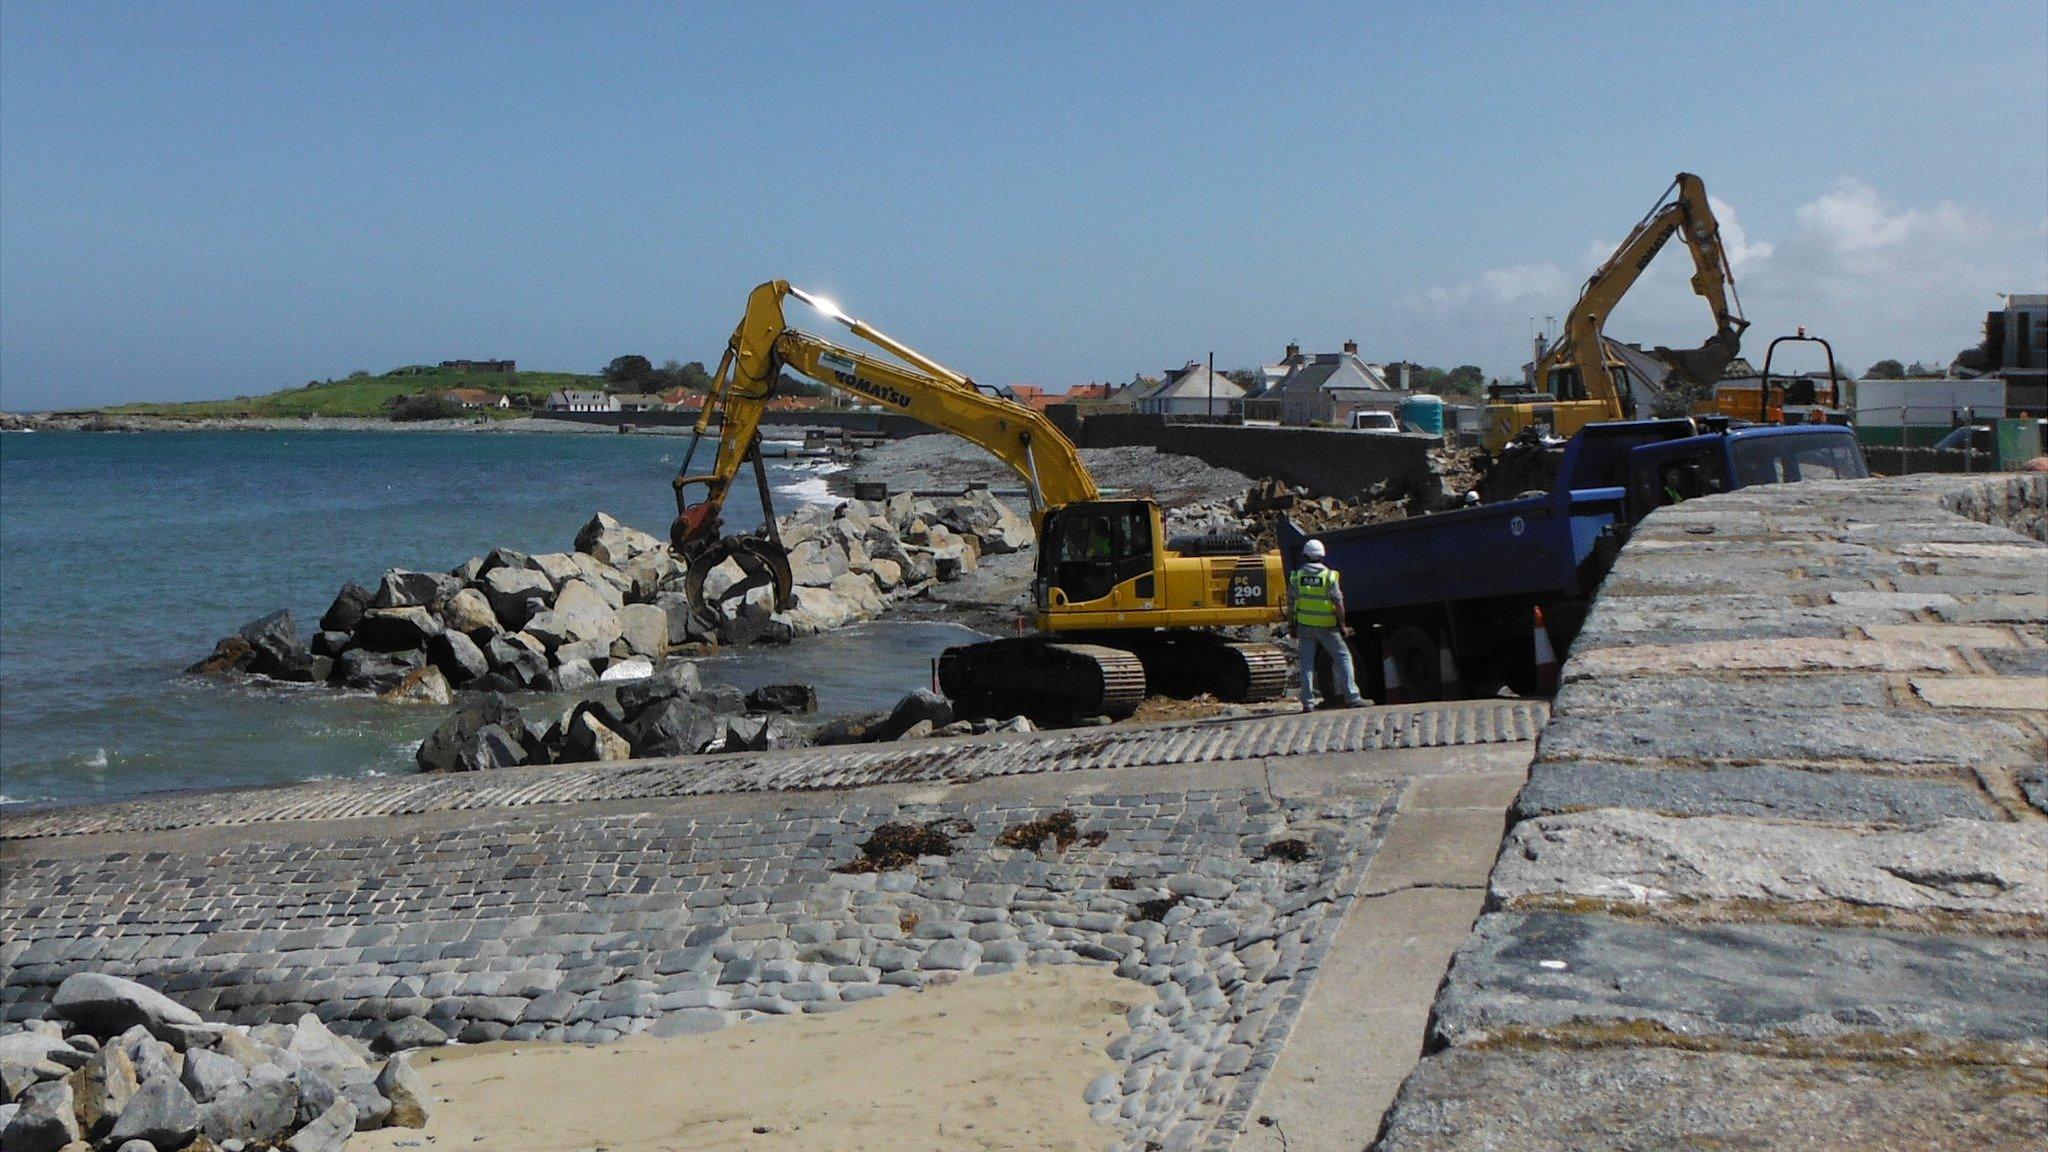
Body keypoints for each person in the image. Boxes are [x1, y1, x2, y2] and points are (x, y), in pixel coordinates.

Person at [1288, 539, 1366, 712]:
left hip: (1305, 626)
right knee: (1343, 658)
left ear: (1305, 555)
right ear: (1322, 556)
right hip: (1327, 627)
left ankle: (1308, 703)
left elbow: (1291, 604)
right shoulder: (1329, 576)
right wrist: (1343, 624)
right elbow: (1338, 602)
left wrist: (1292, 626)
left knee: (1307, 664)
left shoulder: (1297, 577)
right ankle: (1353, 697)